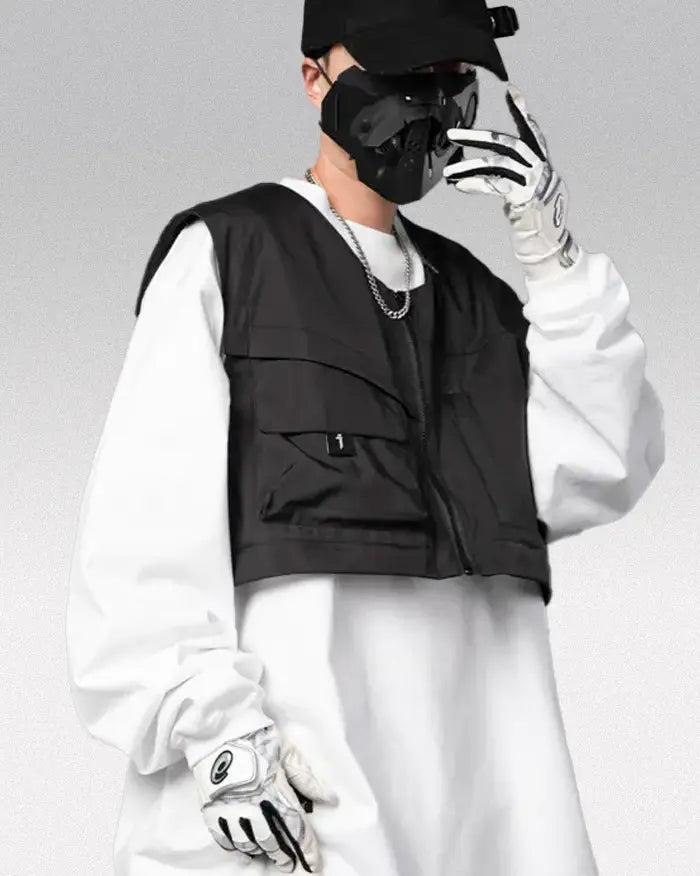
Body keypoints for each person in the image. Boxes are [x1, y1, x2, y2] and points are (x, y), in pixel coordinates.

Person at [65, 2, 666, 875]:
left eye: (451, 80)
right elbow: (140, 525)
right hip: (297, 797)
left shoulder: (481, 302)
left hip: (483, 808)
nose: (428, 102)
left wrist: (555, 257)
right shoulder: (231, 256)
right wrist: (219, 737)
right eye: (399, 74)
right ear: (315, 78)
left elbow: (605, 462)